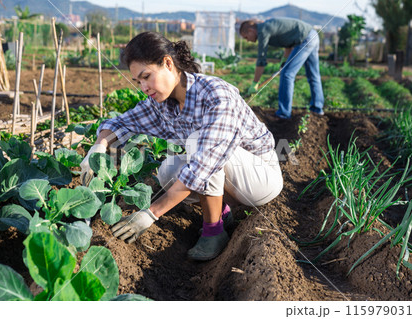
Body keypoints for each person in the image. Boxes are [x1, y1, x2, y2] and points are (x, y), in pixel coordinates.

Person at [80, 32, 283, 261]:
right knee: (168, 170)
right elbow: (121, 122)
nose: (143, 87)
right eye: (138, 81)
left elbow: (205, 162)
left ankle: (213, 230)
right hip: (227, 175)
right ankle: (223, 211)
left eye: (146, 76)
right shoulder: (162, 103)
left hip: (259, 179)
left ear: (168, 63)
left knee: (198, 144)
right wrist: (98, 146)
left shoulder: (217, 95)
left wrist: (151, 213)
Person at [240, 18, 325, 119]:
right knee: (313, 75)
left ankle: (283, 113)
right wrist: (283, 63)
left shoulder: (263, 31)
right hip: (312, 35)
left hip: (305, 38)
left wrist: (255, 83)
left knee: (287, 75)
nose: (247, 40)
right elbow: (288, 45)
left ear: (250, 30)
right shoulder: (267, 27)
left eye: (246, 37)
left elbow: (261, 60)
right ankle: (317, 109)